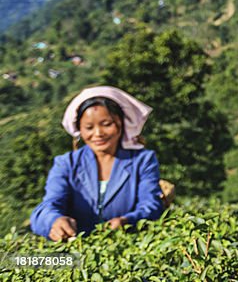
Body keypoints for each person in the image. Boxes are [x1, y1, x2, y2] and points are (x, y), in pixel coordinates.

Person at [31, 86, 164, 241]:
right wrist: (54, 221)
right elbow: (47, 206)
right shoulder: (66, 164)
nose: (98, 134)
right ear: (79, 129)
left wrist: (128, 221)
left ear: (121, 123)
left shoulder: (142, 160)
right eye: (89, 127)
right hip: (76, 254)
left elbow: (151, 205)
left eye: (106, 124)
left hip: (129, 251)